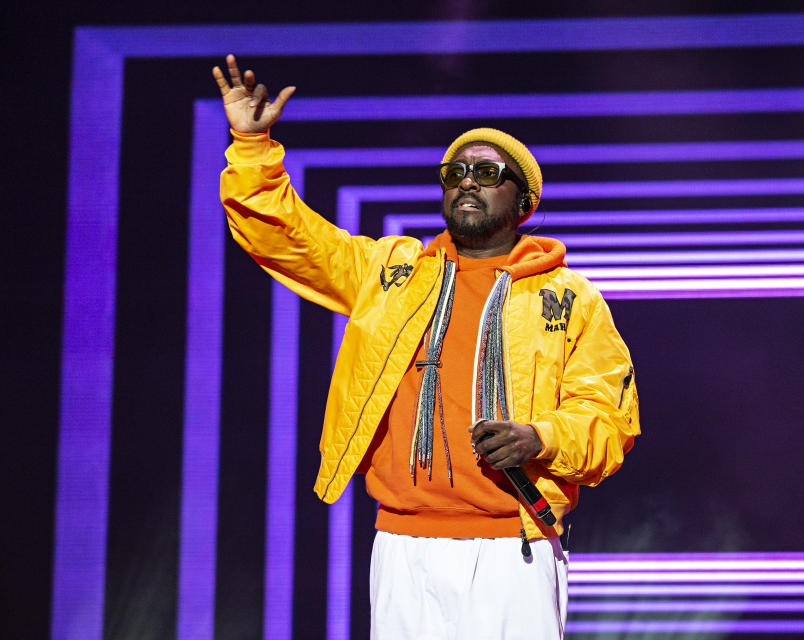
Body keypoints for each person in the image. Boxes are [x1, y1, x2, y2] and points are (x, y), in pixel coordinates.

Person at [213, 54, 640, 640]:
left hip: (510, 545)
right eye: (456, 171)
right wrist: (253, 144)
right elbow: (287, 240)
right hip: (403, 544)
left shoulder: (569, 298)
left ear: (523, 203)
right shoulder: (391, 272)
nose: (467, 180)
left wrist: (539, 436)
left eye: (488, 174)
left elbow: (608, 421)